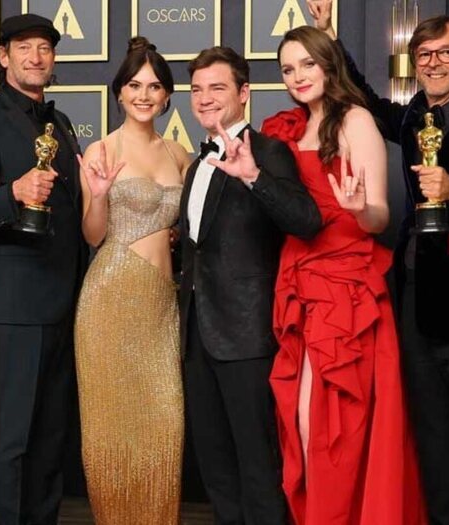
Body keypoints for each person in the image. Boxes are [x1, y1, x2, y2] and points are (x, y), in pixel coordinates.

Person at [306, 2, 449, 522]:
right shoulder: (413, 120)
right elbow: (361, 96)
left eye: (446, 53)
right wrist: (329, 34)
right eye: (424, 55)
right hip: (415, 306)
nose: (433, 63)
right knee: (433, 447)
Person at [261, 26, 426, 524]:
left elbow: (379, 216)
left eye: (307, 64)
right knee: (302, 420)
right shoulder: (291, 127)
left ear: (329, 64)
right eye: (288, 69)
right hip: (298, 280)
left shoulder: (356, 120)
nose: (297, 76)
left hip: (345, 288)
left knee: (334, 424)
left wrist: (358, 209)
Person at [0, 13, 87, 525]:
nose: (36, 57)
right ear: (3, 56)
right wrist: (13, 192)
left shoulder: (61, 124)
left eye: (45, 48)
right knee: (11, 438)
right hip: (13, 307)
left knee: (51, 438)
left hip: (63, 302)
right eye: (24, 47)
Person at [179, 45, 322, 525]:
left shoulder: (269, 151)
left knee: (258, 466)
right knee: (216, 468)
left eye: (217, 88)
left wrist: (255, 176)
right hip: (196, 336)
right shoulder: (196, 164)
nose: (204, 98)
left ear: (244, 93)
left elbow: (306, 220)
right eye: (197, 89)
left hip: (247, 335)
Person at [74, 37, 191, 524]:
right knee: (111, 434)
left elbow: (193, 226)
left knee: (166, 427)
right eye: (135, 85)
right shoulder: (101, 149)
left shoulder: (180, 154)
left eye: (155, 87)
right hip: (110, 299)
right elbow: (92, 235)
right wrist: (100, 195)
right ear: (119, 92)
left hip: (161, 306)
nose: (145, 95)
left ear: (167, 97)